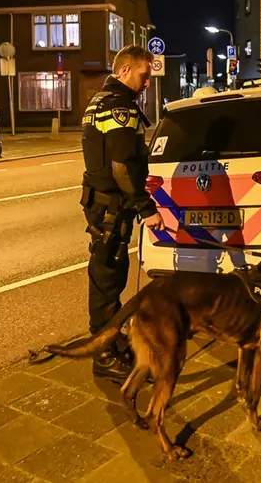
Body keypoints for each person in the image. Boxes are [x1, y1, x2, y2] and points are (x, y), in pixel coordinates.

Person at [80, 45, 165, 382]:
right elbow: (120, 167)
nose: (147, 82)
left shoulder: (100, 100)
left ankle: (112, 346)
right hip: (110, 208)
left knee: (108, 276)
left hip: (102, 204)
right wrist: (146, 208)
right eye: (144, 75)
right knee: (107, 280)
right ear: (125, 70)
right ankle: (103, 355)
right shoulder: (119, 107)